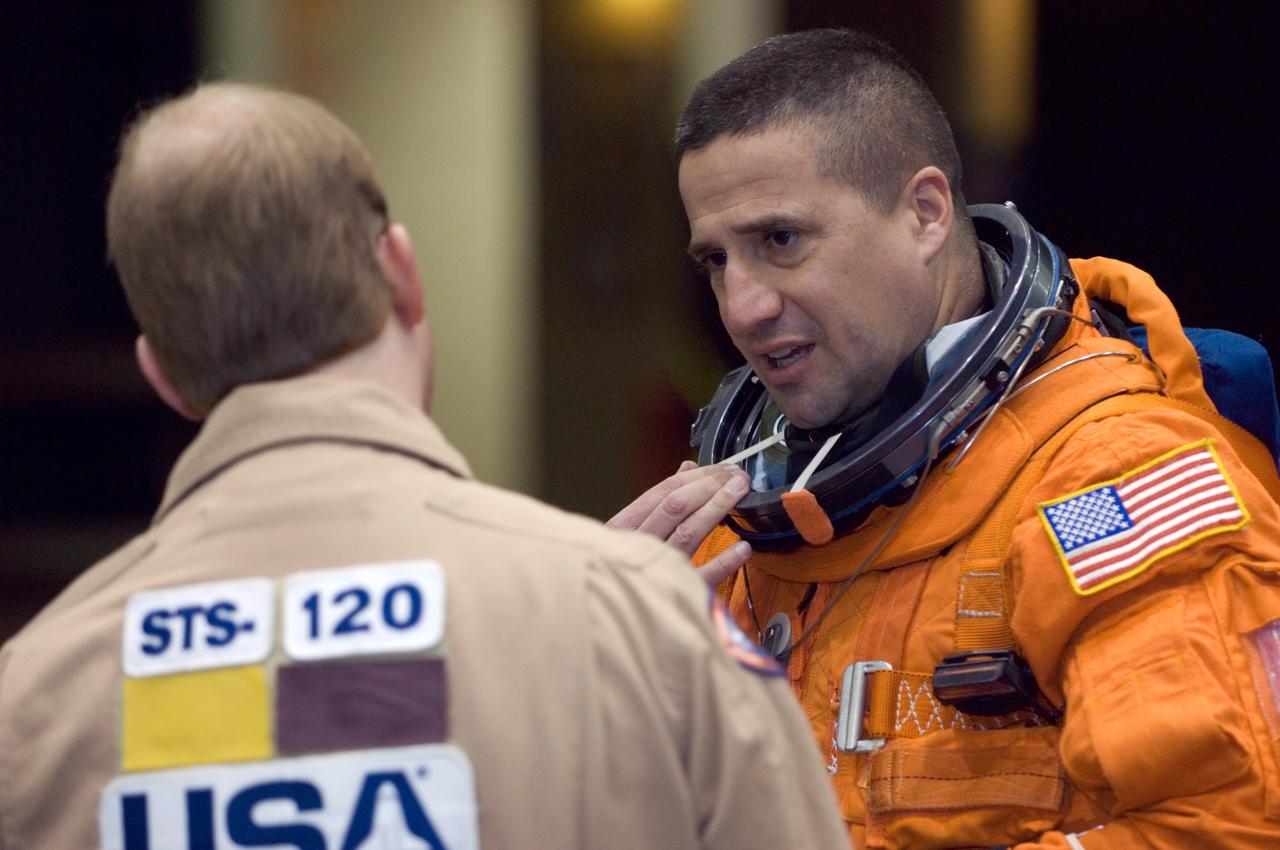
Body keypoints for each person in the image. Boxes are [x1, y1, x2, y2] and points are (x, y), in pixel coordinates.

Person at [0, 82, 849, 850]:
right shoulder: (628, 617)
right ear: (403, 274)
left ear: (163, 376)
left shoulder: (33, 695)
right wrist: (607, 615)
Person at [612, 29, 1280, 849]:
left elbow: (1223, 827)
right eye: (716, 260)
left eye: (780, 241)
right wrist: (594, 662)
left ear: (925, 214)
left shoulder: (1114, 478)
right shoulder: (734, 527)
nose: (741, 307)